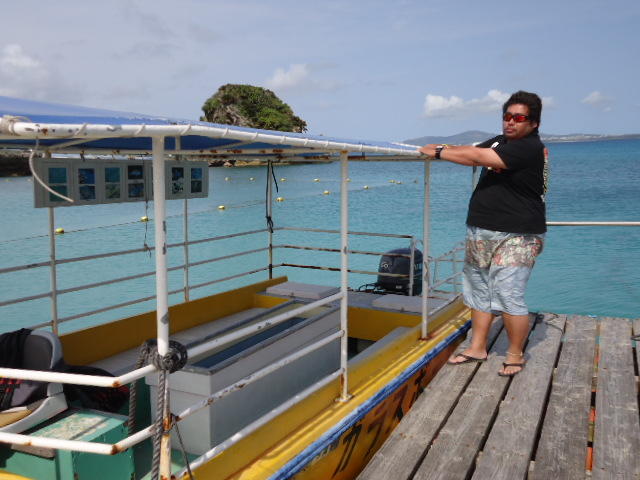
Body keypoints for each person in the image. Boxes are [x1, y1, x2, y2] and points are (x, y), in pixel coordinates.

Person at [418, 90, 548, 377]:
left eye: (519, 118)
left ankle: (515, 355)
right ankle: (477, 347)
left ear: (534, 123)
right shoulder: (501, 141)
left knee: (508, 293)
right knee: (478, 289)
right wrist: (444, 146)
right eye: (507, 116)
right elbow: (470, 148)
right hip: (481, 228)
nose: (510, 122)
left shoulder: (529, 148)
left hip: (518, 234)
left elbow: (476, 156)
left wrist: (438, 152)